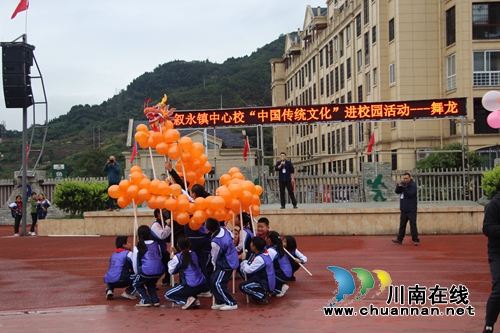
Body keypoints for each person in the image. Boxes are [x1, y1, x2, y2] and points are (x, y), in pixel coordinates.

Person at [206, 217, 239, 311]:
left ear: (208, 229)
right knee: (213, 280)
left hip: (227, 263)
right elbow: (232, 236)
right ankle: (221, 301)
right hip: (228, 258)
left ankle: (231, 302)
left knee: (218, 283)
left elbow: (215, 254)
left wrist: (213, 263)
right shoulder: (224, 229)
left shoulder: (215, 241)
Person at [164, 237, 206, 310]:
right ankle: (195, 299)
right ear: (190, 244)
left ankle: (186, 300)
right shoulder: (194, 254)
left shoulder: (178, 257)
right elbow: (185, 257)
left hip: (189, 285)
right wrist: (176, 253)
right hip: (201, 284)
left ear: (178, 245)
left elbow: (171, 271)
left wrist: (171, 258)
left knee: (168, 295)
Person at [132, 225, 164, 307]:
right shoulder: (157, 244)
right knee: (151, 284)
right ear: (150, 234)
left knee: (136, 284)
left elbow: (135, 262)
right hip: (159, 270)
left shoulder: (138, 246)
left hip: (146, 271)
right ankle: (155, 300)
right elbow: (160, 257)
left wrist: (136, 273)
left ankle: (145, 300)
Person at [239, 236, 275, 305]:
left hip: (264, 282)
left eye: (251, 243)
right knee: (242, 270)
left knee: (243, 286)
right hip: (264, 279)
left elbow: (248, 270)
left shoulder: (260, 258)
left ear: (254, 247)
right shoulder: (264, 254)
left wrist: (243, 260)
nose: (250, 245)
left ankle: (263, 294)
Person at [483, 189, 500, 333]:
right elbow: (487, 228)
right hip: (498, 253)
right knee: (499, 287)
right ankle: (489, 325)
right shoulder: (494, 204)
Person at [104, 236, 136, 300]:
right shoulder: (129, 254)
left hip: (110, 280)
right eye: (129, 242)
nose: (131, 244)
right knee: (140, 276)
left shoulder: (113, 254)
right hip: (122, 279)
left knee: (111, 274)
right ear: (124, 245)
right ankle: (128, 292)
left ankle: (109, 289)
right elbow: (134, 266)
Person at [392, 172, 419, 246]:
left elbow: (411, 194)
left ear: (410, 178)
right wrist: (398, 186)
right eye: (404, 178)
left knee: (412, 225)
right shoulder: (403, 184)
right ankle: (399, 239)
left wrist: (404, 188)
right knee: (402, 225)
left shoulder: (413, 185)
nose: (405, 180)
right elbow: (397, 192)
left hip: (411, 208)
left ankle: (415, 240)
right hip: (404, 208)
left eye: (406, 178)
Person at [266, 231, 292, 297]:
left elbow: (265, 263)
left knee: (263, 271)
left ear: (269, 240)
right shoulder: (278, 248)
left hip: (283, 275)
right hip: (287, 274)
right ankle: (278, 287)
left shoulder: (271, 251)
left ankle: (278, 288)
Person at [150, 209, 171, 286]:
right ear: (158, 214)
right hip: (156, 250)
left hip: (162, 249)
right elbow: (162, 236)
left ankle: (167, 280)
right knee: (159, 268)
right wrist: (169, 226)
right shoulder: (156, 225)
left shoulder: (163, 223)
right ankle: (151, 283)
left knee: (168, 264)